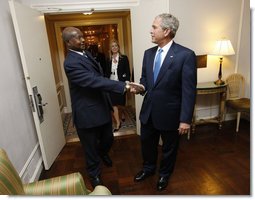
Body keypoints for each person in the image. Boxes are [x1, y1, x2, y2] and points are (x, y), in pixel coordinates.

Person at [61, 27, 133, 188]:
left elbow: (99, 76)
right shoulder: (71, 62)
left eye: (82, 36)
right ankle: (94, 175)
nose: (82, 40)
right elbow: (94, 80)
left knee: (108, 138)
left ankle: (103, 152)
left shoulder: (85, 54)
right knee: (90, 147)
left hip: (101, 106)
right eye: (77, 38)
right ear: (68, 43)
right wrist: (124, 86)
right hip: (87, 112)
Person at [132, 13, 197, 191]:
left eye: (154, 27)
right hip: (149, 112)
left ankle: (164, 175)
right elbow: (145, 79)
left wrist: (185, 119)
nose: (151, 31)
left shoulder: (186, 55)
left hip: (171, 115)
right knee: (147, 144)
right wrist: (140, 87)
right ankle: (148, 169)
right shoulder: (148, 54)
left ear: (167, 31)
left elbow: (189, 91)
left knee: (169, 149)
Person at [105, 39, 131, 132]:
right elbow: (106, 73)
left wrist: (127, 82)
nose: (114, 47)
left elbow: (127, 71)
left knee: (121, 104)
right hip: (112, 84)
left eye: (116, 46)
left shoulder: (124, 58)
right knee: (114, 105)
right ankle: (118, 123)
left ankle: (123, 112)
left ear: (118, 47)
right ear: (110, 49)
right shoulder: (108, 59)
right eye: (112, 46)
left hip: (121, 83)